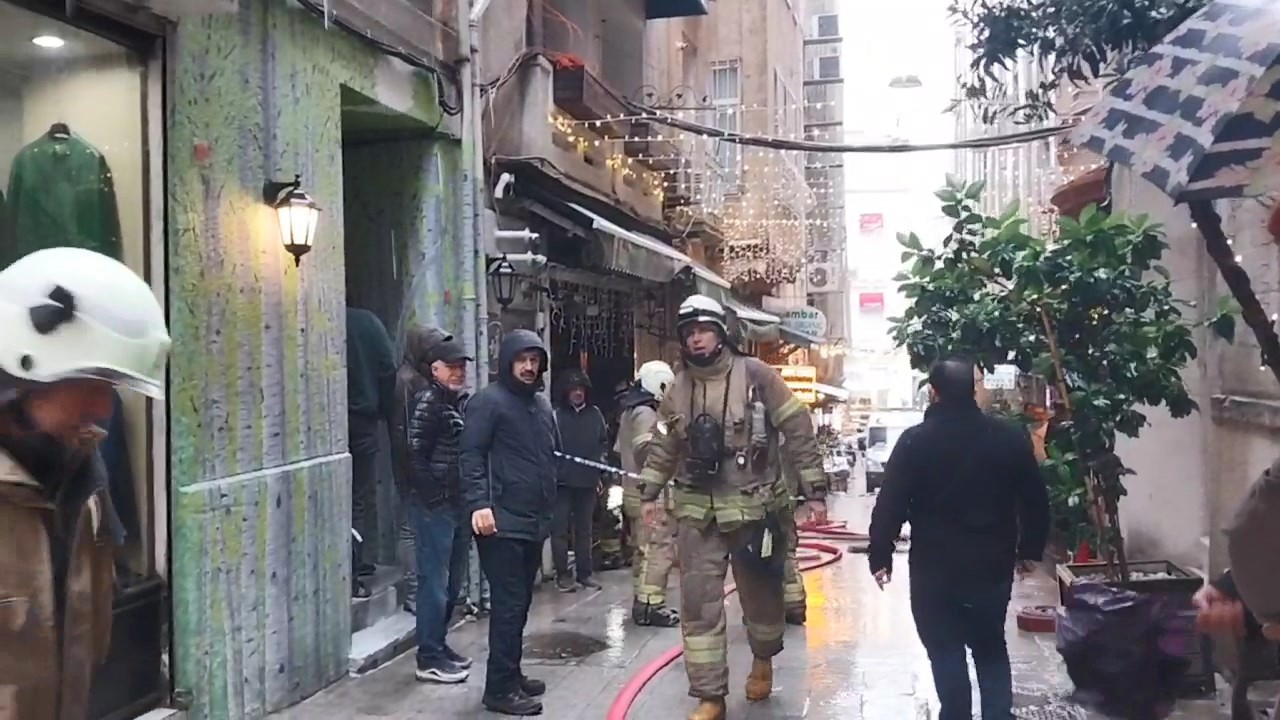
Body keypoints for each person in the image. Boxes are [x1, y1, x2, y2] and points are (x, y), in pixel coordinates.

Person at [638, 294, 828, 720]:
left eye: (704, 331)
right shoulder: (678, 388)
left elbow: (797, 428)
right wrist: (648, 493)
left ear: (722, 333)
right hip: (697, 516)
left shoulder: (757, 376)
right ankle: (710, 697)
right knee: (699, 605)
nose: (696, 340)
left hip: (755, 512)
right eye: (689, 334)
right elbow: (665, 445)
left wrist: (814, 491)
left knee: (762, 598)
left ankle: (763, 660)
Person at [0, 247, 170, 719]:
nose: (103, 410)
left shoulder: (83, 484)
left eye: (111, 388)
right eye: (92, 383)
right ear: (24, 368)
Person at [867, 358, 1050, 720]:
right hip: (991, 566)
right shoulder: (1009, 438)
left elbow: (890, 503)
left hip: (935, 570)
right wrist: (1030, 549)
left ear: (933, 393)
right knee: (990, 647)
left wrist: (880, 556)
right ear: (972, 391)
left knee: (945, 648)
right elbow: (1034, 498)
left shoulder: (915, 442)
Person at [459, 329, 556, 716]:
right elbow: (470, 455)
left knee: (521, 603)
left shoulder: (541, 406)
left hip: (533, 521)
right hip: (500, 522)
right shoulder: (489, 402)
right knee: (509, 604)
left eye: (535, 361)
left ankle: (511, 673)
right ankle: (499, 688)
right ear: (508, 362)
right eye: (523, 360)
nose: (529, 367)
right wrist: (479, 504)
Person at [406, 332, 475, 683]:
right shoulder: (428, 402)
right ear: (434, 369)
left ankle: (438, 644)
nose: (458, 372)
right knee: (434, 582)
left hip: (457, 502)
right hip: (436, 506)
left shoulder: (454, 402)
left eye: (461, 366)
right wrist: (433, 497)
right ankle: (428, 654)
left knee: (452, 583)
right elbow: (414, 454)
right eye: (451, 367)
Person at [390, 325, 452, 614]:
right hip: (413, 467)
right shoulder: (407, 382)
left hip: (428, 467)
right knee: (410, 529)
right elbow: (405, 432)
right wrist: (415, 471)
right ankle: (414, 592)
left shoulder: (424, 381)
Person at [617, 360, 680, 627]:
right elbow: (647, 452)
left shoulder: (630, 410)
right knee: (658, 548)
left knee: (642, 550)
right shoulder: (645, 413)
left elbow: (621, 450)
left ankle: (641, 602)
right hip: (650, 495)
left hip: (634, 491)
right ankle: (652, 606)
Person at [346, 306, 397, 596]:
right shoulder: (368, 322)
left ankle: (351, 568)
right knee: (358, 498)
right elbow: (387, 370)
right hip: (363, 421)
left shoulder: (314, 315)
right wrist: (389, 419)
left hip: (322, 421)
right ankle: (357, 567)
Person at [551, 369, 608, 592]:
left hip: (587, 481)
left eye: (581, 390)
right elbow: (549, 447)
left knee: (585, 530)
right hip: (562, 483)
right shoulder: (556, 416)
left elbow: (602, 443)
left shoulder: (595, 415)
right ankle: (563, 575)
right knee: (559, 531)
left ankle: (585, 574)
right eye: (573, 390)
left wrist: (600, 470)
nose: (577, 394)